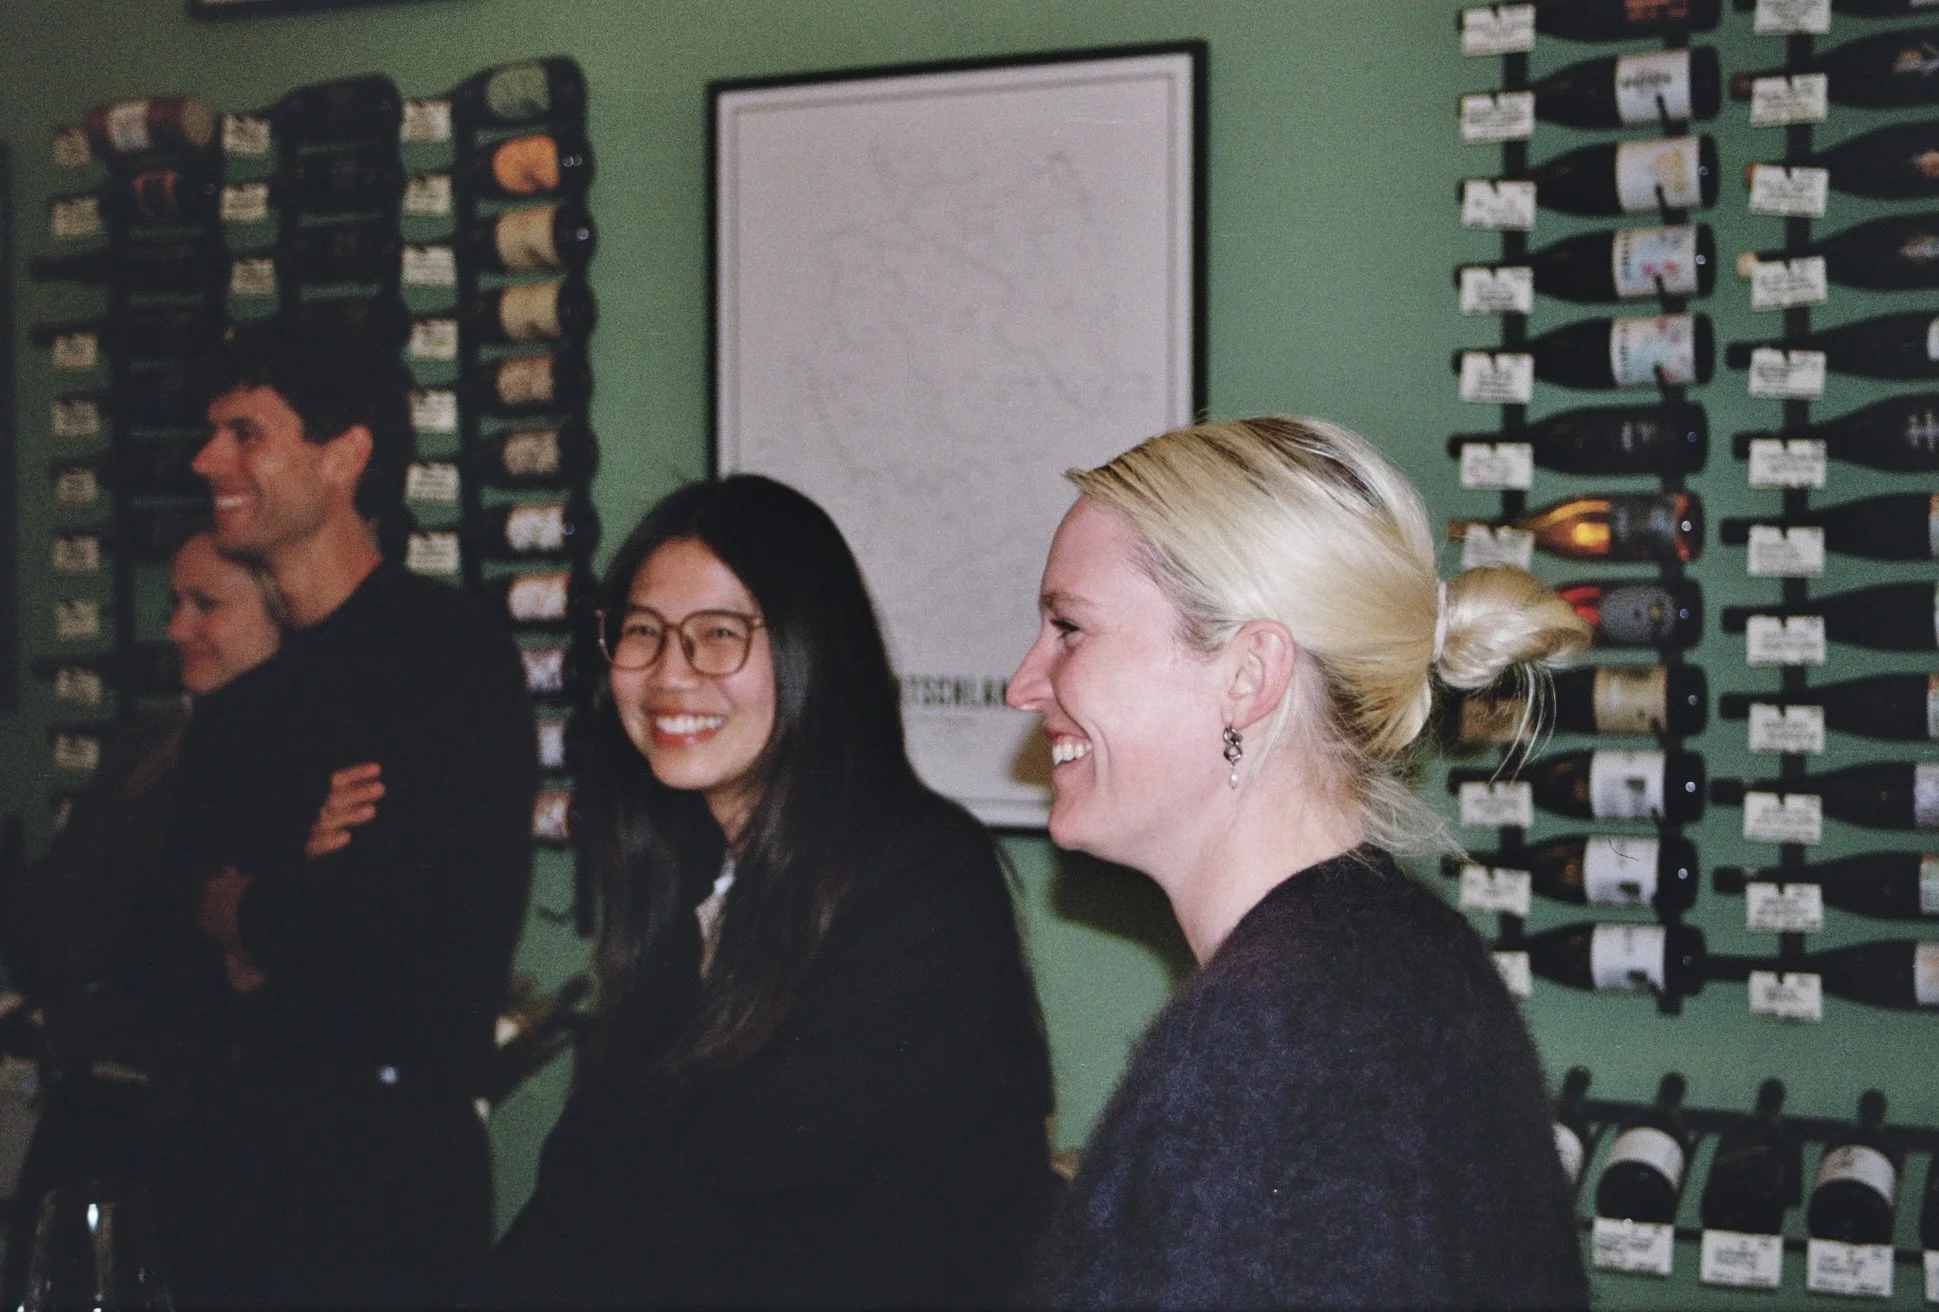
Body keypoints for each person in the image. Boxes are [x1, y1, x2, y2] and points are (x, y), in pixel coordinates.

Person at [1010, 416, 1593, 1310]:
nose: (1023, 683)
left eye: (1068, 629)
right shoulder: (1407, 954)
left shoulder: (1264, 1047)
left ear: (1248, 673)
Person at [489, 475, 1057, 1309]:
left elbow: (760, 1219)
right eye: (642, 633)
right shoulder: (685, 868)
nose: (669, 675)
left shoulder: (920, 880)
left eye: (718, 635)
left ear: (809, 650)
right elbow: (586, 1186)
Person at [155, 319, 538, 1309]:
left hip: (379, 1195)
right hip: (232, 1185)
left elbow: (399, 934)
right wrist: (293, 890)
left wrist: (258, 910)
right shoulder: (246, 703)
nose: (209, 460)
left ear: (345, 456)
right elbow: (170, 932)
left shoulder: (445, 656)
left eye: (246, 433)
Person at [0, 532, 283, 1308]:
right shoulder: (144, 749)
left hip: (214, 1143)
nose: (178, 629)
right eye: (174, 605)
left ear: (280, 621)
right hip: (92, 1118)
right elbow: (39, 932)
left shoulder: (296, 771)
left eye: (208, 605)